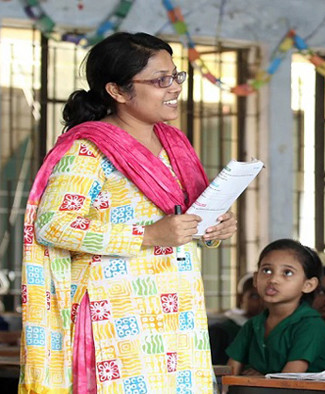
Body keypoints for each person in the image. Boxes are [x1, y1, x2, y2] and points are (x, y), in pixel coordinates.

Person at [19, 32, 237, 393]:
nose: (174, 88)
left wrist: (214, 227)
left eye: (176, 76)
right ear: (117, 91)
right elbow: (53, 225)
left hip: (176, 311)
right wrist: (149, 235)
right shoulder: (90, 149)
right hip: (115, 312)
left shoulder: (174, 144)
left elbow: (183, 219)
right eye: (160, 80)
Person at [225, 239, 325, 375]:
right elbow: (231, 371)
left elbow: (288, 380)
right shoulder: (253, 325)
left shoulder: (311, 326)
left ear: (308, 285)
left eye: (287, 273)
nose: (273, 279)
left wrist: (261, 380)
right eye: (266, 270)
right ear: (255, 279)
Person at [208, 273, 264, 365]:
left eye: (265, 296)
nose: (261, 302)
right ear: (241, 298)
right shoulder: (221, 331)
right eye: (254, 296)